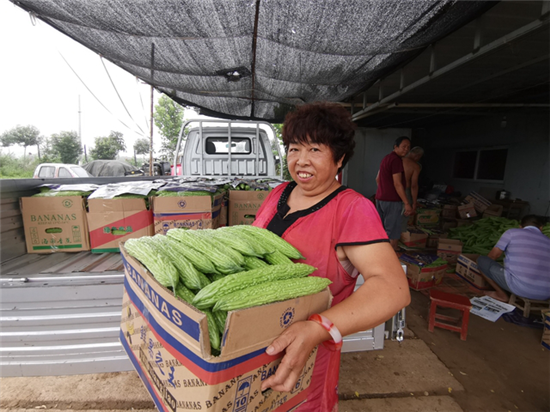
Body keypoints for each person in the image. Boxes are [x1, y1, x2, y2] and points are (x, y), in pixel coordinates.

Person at [254, 102, 411, 411]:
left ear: (340, 159)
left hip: (309, 353)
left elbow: (393, 289)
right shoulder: (279, 193)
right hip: (256, 342)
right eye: (294, 149)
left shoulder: (351, 208)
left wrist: (317, 328)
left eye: (315, 150)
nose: (301, 160)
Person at [477, 215, 550, 302]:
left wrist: (489, 273)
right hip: (546, 293)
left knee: (482, 261)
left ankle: (501, 294)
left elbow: (493, 256)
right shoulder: (548, 241)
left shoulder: (512, 233)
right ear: (541, 228)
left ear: (520, 227)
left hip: (520, 288)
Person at [375, 136, 412, 250]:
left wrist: (384, 190)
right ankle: (392, 260)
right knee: (393, 233)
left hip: (380, 199)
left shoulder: (386, 158)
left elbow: (377, 178)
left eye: (408, 147)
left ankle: (379, 256)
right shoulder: (396, 160)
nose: (406, 150)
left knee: (380, 230)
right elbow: (397, 183)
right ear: (395, 147)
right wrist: (406, 203)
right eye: (403, 147)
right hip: (391, 201)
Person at [401, 146, 424, 231]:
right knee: (403, 216)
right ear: (417, 156)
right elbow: (414, 186)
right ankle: (395, 241)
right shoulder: (415, 166)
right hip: (405, 192)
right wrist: (414, 203)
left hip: (391, 192)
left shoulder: (397, 161)